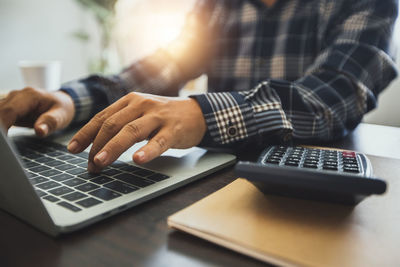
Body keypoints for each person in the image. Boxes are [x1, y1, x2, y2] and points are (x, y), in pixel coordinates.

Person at [0, 0, 397, 173]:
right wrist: (69, 97)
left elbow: (334, 95)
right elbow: (162, 66)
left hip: (309, 189)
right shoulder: (217, 5)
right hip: (214, 173)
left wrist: (200, 111)